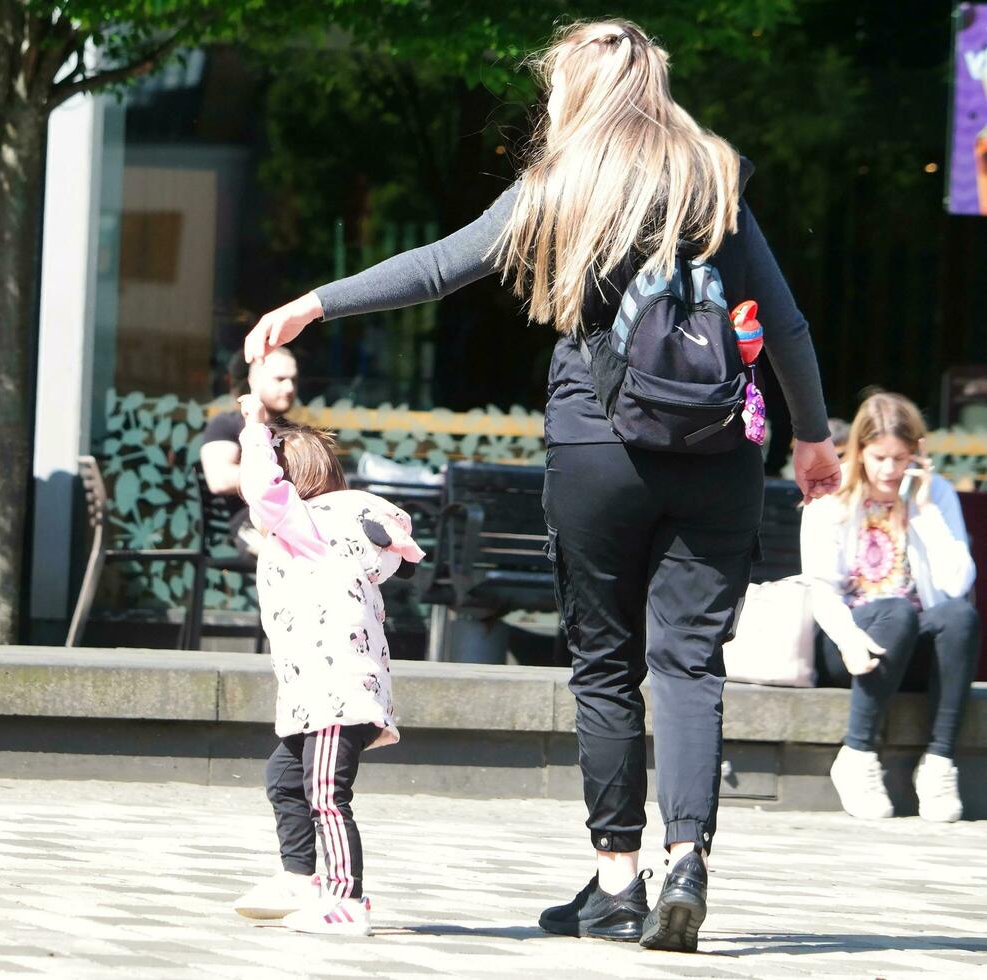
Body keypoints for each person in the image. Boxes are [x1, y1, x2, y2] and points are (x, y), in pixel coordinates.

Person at [243, 19, 842, 953]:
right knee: (686, 661)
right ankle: (688, 859)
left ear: (576, 92)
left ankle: (616, 880)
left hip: (598, 447)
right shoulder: (711, 177)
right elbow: (791, 328)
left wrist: (315, 302)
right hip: (720, 448)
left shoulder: (564, 184)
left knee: (606, 666)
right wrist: (812, 436)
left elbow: (441, 267)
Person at [228, 392, 423, 937]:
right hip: (322, 691)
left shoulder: (310, 525)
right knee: (285, 777)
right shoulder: (335, 525)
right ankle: (299, 878)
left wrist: (254, 428)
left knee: (326, 796)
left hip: (335, 691)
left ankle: (345, 899)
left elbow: (264, 492)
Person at [802, 391, 979, 823]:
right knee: (895, 611)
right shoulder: (833, 490)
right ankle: (857, 754)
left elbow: (958, 583)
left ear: (916, 454)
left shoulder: (932, 493)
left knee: (959, 616)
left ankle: (939, 763)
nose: (889, 470)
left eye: (900, 459)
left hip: (908, 647)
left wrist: (925, 510)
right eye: (879, 457)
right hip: (848, 646)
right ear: (860, 449)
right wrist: (848, 640)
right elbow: (821, 590)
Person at [200, 347, 299, 552]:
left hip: (295, 522)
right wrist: (280, 473)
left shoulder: (295, 432)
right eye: (280, 379)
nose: (290, 388)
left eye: (294, 380)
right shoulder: (225, 424)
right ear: (253, 382)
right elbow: (219, 479)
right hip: (250, 527)